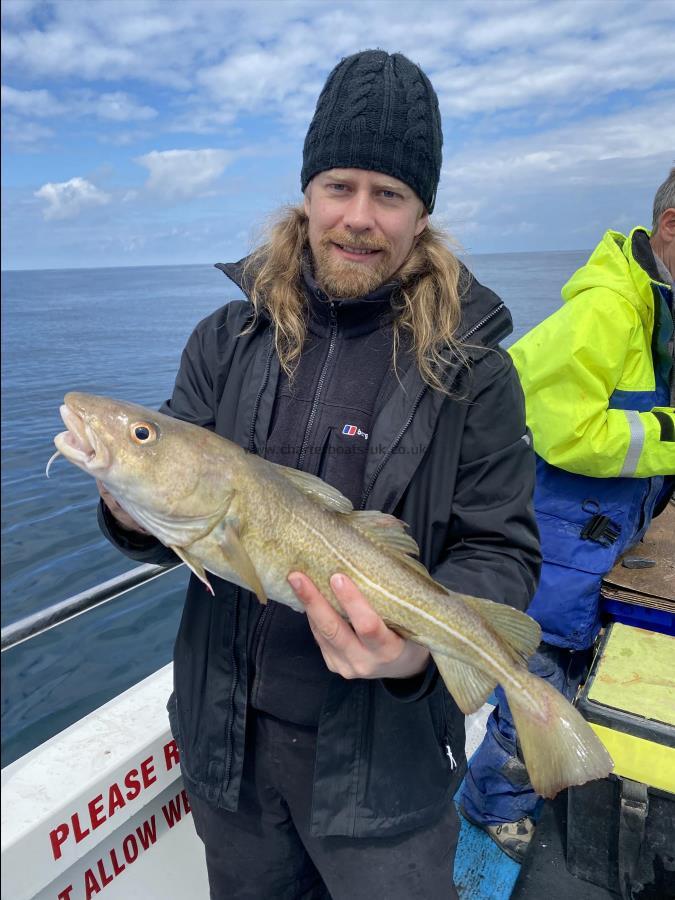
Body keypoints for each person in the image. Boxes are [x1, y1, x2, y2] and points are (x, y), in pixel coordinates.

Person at [98, 49, 541, 899]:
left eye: (390, 195)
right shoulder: (223, 340)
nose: (358, 218)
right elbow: (177, 512)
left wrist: (413, 652)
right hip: (226, 753)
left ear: (422, 214)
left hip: (384, 773)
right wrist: (123, 500)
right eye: (339, 185)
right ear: (306, 194)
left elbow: (501, 548)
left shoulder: (473, 369)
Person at [461, 167, 675, 863]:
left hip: (596, 547)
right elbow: (565, 433)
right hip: (554, 555)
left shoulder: (655, 303)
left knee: (565, 680)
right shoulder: (607, 310)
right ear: (670, 228)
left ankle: (536, 774)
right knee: (531, 691)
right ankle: (489, 806)